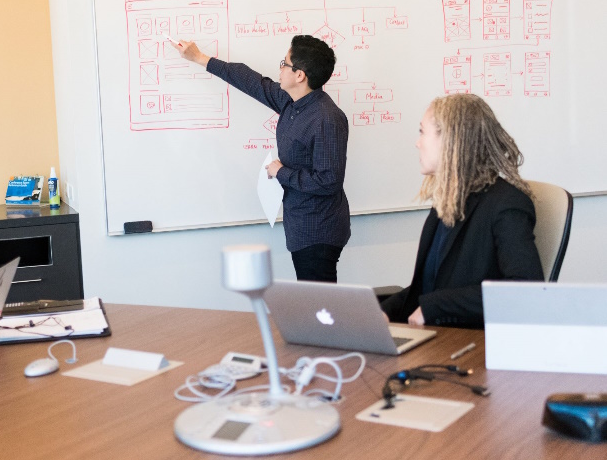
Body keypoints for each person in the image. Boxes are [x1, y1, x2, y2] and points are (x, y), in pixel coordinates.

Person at [174, 35, 350, 282]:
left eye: (284, 63)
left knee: (319, 306)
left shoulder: (326, 118)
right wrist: (200, 58)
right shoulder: (292, 102)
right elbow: (251, 81)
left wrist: (282, 172)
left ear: (300, 75)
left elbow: (329, 181)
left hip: (319, 230)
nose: (280, 69)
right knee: (313, 302)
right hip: (301, 225)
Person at [381, 94, 544, 328]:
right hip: (441, 336)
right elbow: (428, 287)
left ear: (451, 140)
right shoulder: (448, 202)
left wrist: (435, 307)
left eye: (422, 132)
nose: (418, 143)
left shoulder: (506, 205)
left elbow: (526, 291)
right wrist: (383, 312)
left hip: (472, 342)